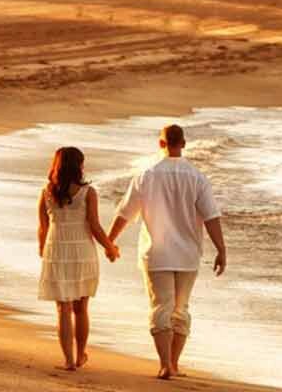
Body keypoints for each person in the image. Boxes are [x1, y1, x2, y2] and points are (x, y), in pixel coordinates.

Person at [109, 124, 226, 381]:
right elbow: (211, 217)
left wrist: (110, 241)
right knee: (180, 309)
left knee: (161, 307)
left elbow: (125, 213)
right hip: (187, 255)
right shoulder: (197, 177)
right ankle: (173, 363)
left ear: (160, 144)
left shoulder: (146, 175)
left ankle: (165, 365)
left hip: (156, 254)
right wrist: (221, 249)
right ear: (183, 143)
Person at [38, 146, 120, 371]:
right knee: (81, 309)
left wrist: (42, 250)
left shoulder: (47, 192)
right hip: (82, 251)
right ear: (79, 166)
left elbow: (43, 227)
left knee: (62, 308)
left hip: (56, 250)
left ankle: (69, 360)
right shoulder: (88, 192)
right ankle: (81, 352)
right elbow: (95, 226)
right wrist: (110, 248)